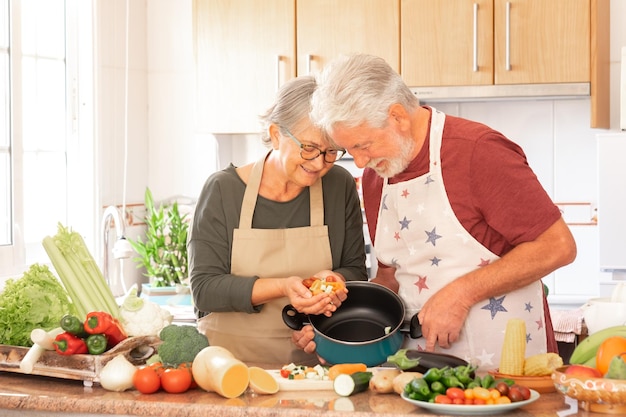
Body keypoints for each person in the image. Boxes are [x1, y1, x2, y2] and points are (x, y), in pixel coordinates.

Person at [293, 54, 577, 371]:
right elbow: (390, 278)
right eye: (350, 151)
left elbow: (559, 247)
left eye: (364, 145)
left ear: (397, 117)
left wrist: (460, 293)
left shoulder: (478, 151)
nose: (359, 163)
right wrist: (337, 334)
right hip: (418, 375)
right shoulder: (376, 178)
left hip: (506, 371)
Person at [188, 75, 368, 365]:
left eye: (331, 151)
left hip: (312, 370)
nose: (319, 163)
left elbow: (356, 272)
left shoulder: (339, 184)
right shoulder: (223, 190)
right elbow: (205, 290)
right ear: (275, 134)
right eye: (308, 148)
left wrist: (334, 284)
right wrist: (285, 287)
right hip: (230, 371)